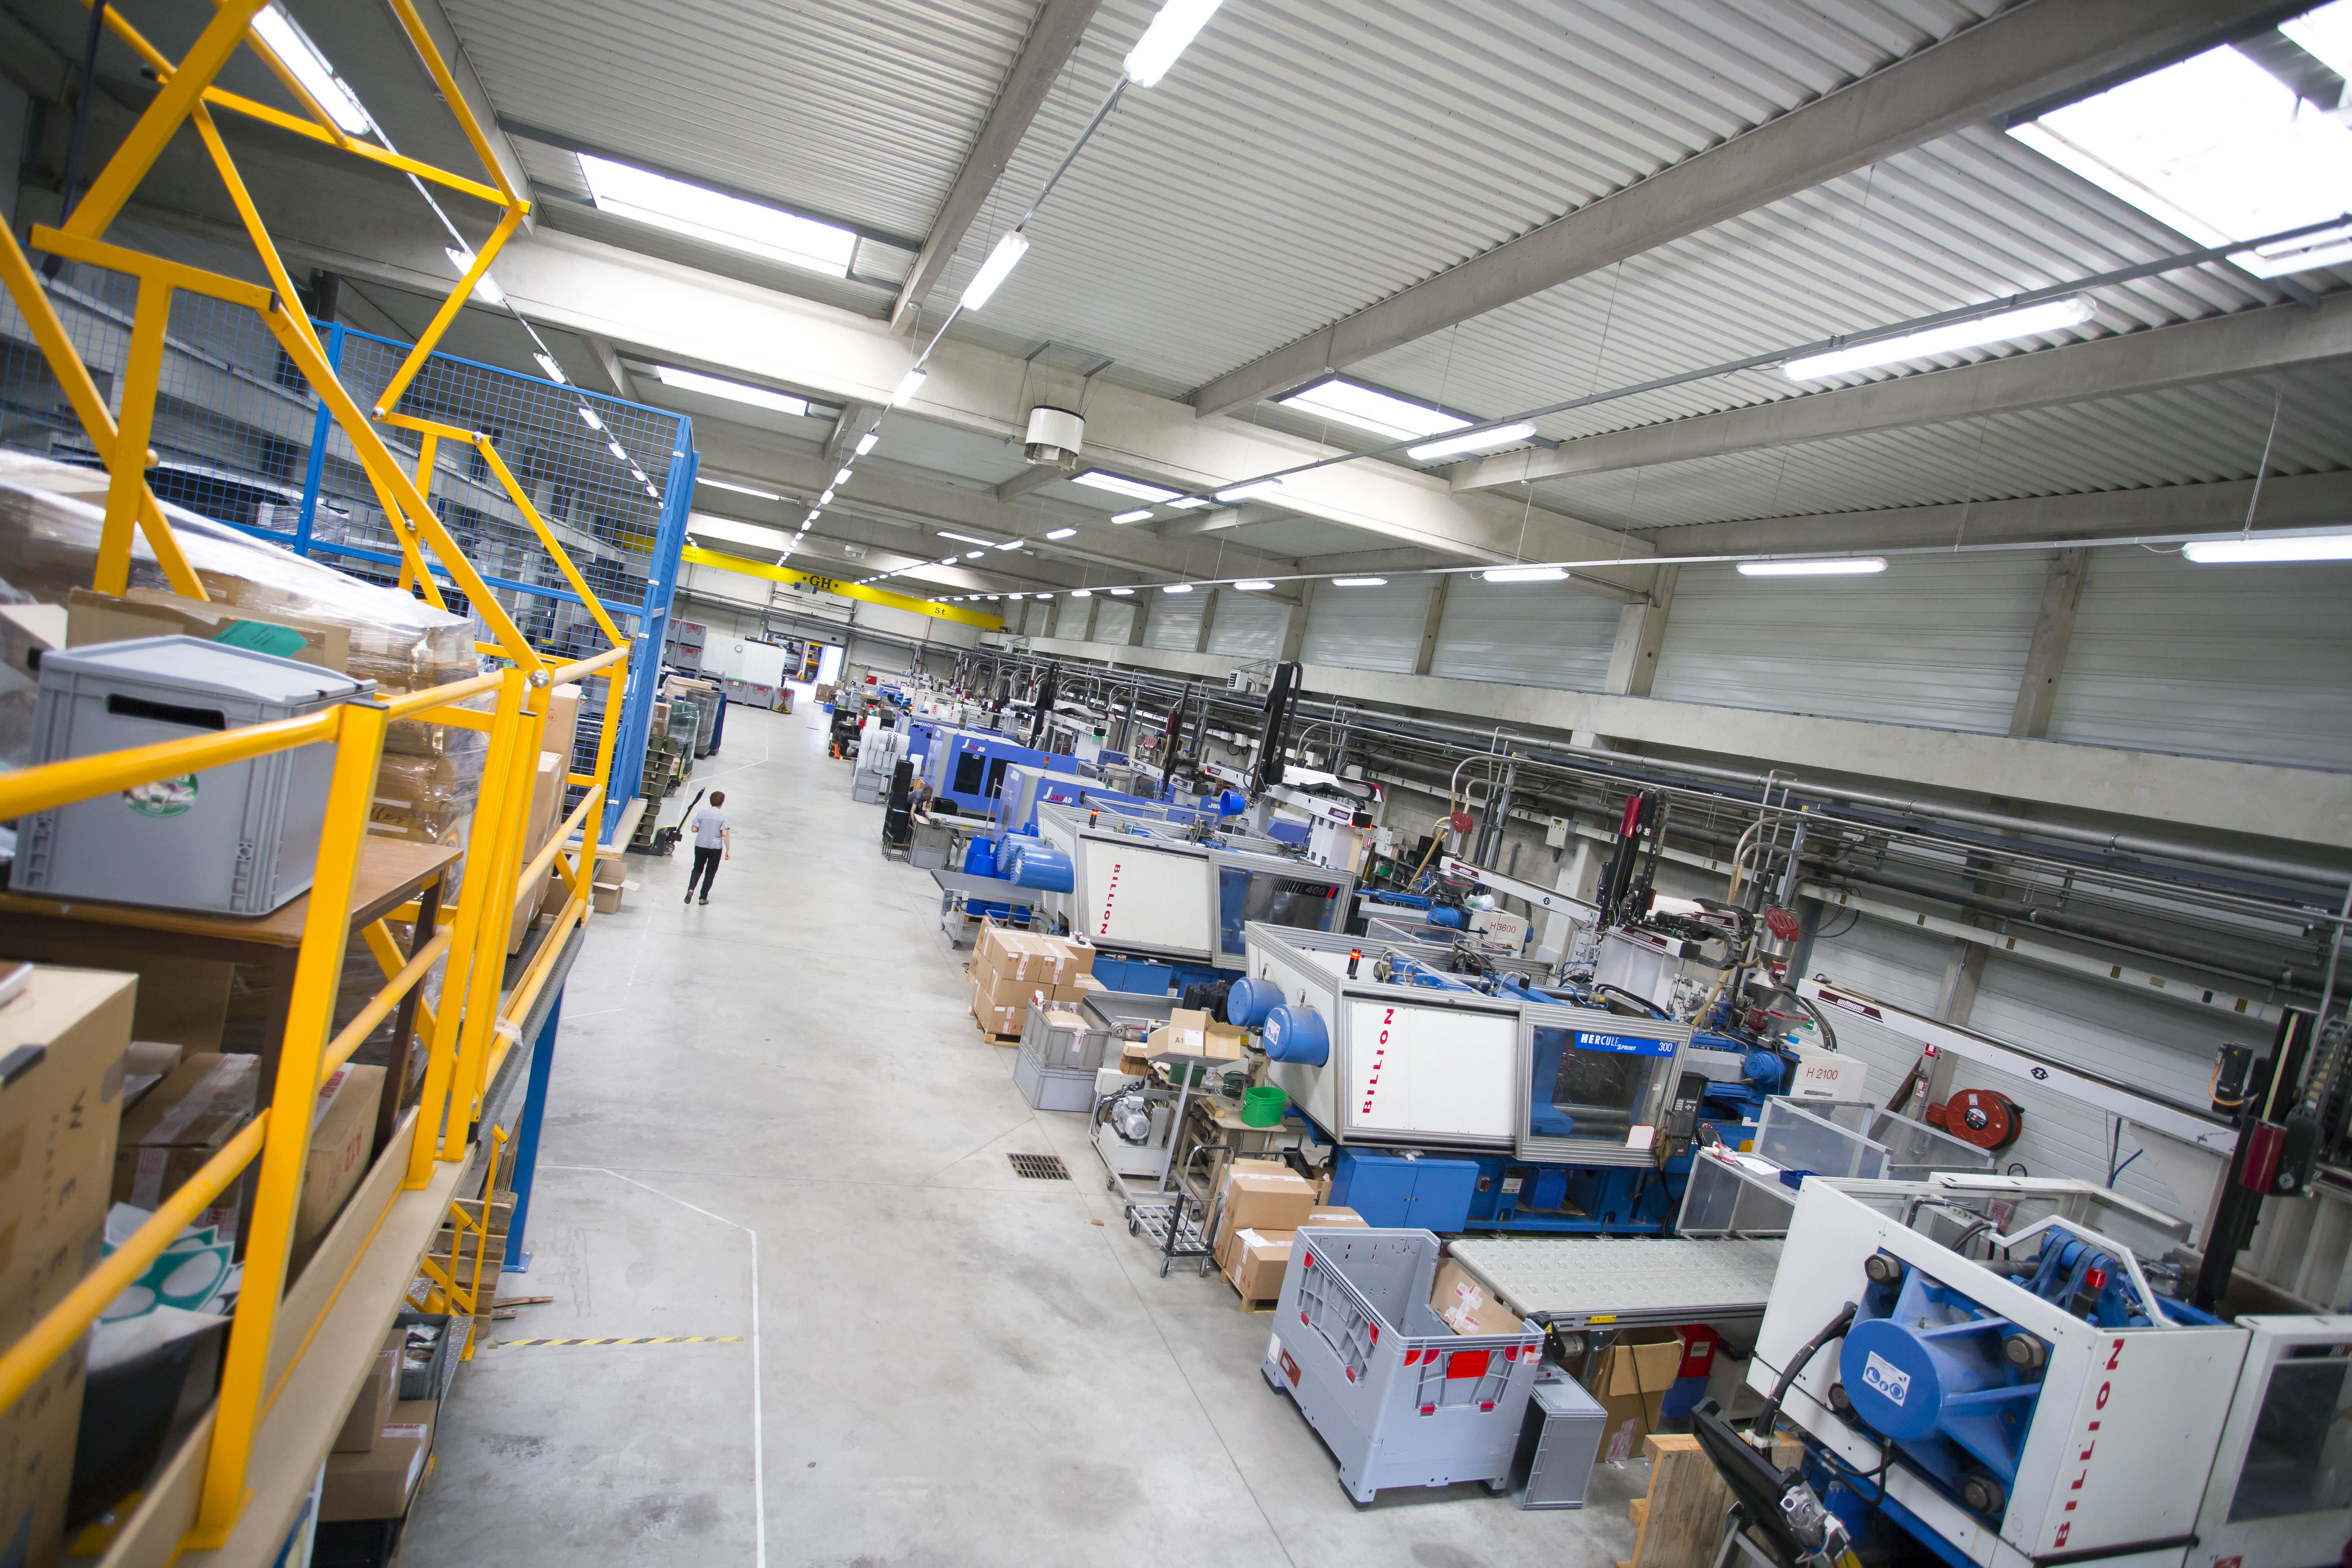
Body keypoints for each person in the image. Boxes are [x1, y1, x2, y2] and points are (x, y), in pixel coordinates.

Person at [685, 790, 729, 905]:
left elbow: (694, 829)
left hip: (700, 845)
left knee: (697, 868)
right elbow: (724, 834)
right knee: (710, 873)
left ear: (711, 801)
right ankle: (703, 898)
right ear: (722, 802)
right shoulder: (723, 816)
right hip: (715, 848)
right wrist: (728, 850)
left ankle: (691, 889)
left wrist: (705, 827)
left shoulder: (702, 812)